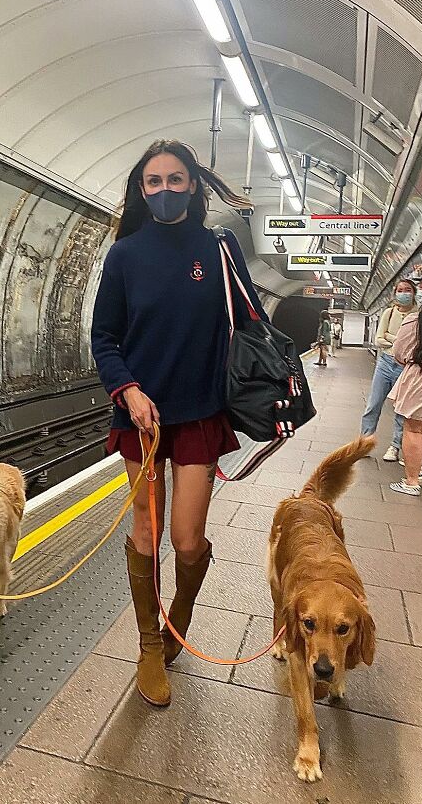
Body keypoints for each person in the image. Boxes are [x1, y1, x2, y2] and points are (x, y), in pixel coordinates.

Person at [90, 139, 267, 707]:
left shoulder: (219, 249)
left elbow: (252, 323)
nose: (164, 190)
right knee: (147, 531)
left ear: (193, 186)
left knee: (188, 541)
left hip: (199, 414)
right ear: (141, 191)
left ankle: (179, 619)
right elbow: (104, 336)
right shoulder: (124, 256)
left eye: (174, 180)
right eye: (153, 182)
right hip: (141, 416)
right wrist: (128, 389)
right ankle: (148, 644)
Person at [389, 279, 422, 496]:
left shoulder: (415, 321)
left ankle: (411, 482)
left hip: (421, 380)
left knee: (414, 430)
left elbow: (399, 352)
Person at [360, 278, 418, 461]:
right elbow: (378, 340)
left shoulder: (419, 315)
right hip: (385, 363)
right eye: (400, 290)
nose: (403, 294)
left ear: (414, 293)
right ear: (395, 293)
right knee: (373, 404)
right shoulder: (389, 313)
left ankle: (395, 446)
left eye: (407, 290)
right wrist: (400, 340)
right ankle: (364, 443)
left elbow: (416, 344)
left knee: (401, 409)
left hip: (405, 367)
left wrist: (391, 337)